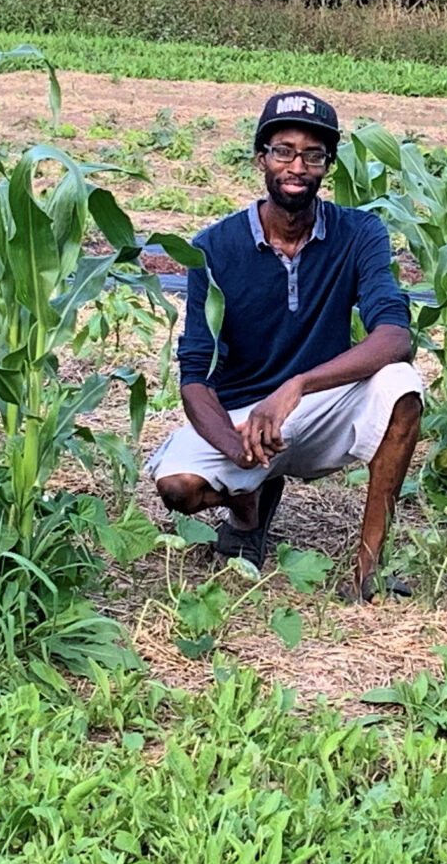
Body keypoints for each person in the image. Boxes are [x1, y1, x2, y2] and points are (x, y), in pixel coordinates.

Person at [149, 90, 425, 600]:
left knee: (402, 385)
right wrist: (237, 450)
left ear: (327, 167)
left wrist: (297, 386)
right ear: (261, 159)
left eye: (313, 154)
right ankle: (248, 507)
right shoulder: (214, 247)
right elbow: (194, 374)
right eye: (283, 150)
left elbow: (395, 335)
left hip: (320, 403)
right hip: (244, 412)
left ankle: (369, 570)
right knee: (179, 489)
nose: (297, 165)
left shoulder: (359, 232)